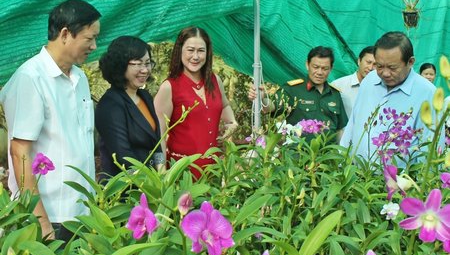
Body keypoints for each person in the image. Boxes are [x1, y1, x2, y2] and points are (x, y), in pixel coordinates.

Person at [0, 0, 101, 241]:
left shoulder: (80, 78)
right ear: (65, 34)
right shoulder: (31, 78)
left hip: (81, 211)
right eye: (89, 39)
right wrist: (41, 223)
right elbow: (19, 151)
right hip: (50, 213)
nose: (95, 46)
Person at [340, 31, 440, 161]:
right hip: (357, 175)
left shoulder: (427, 93)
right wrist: (342, 163)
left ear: (410, 62)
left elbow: (430, 148)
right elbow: (353, 124)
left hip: (398, 180)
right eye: (379, 66)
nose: (385, 73)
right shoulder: (369, 80)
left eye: (393, 67)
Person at [154, 26, 237, 179]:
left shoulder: (214, 80)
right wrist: (161, 174)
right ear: (180, 51)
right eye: (190, 50)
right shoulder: (169, 87)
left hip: (214, 170)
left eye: (201, 50)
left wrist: (232, 122)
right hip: (182, 172)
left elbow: (224, 105)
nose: (196, 56)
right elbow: (157, 137)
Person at [95, 36, 164, 178]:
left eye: (148, 63)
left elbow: (156, 143)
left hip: (151, 183)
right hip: (125, 188)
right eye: (138, 64)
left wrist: (163, 175)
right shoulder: (110, 104)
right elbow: (123, 157)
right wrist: (147, 184)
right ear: (120, 65)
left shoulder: (145, 96)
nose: (145, 70)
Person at [250, 46, 347, 143]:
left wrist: (341, 154)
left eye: (325, 68)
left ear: (331, 68)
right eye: (315, 67)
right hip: (299, 155)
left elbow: (339, 129)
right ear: (307, 65)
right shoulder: (293, 89)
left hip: (328, 155)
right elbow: (271, 107)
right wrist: (262, 99)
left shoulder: (335, 94)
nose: (320, 72)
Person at [331, 46, 375, 118]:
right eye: (368, 62)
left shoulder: (381, 89)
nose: (370, 68)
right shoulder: (338, 85)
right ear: (359, 61)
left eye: (375, 64)